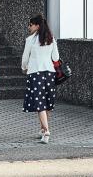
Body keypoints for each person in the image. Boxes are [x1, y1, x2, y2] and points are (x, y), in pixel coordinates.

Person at [21, 14, 59, 145]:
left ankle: (46, 131)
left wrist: (24, 67)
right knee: (47, 103)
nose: (29, 27)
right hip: (49, 73)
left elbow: (25, 58)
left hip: (35, 73)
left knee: (39, 104)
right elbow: (55, 57)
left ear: (37, 25)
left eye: (30, 24)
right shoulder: (51, 38)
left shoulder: (30, 40)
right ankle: (43, 129)